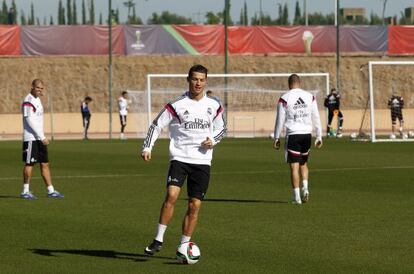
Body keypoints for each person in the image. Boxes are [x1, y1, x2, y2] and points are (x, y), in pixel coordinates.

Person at [141, 64, 226, 255]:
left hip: (202, 162)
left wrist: (213, 140)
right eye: (195, 79)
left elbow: (222, 129)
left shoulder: (214, 105)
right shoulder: (176, 105)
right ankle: (158, 239)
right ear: (188, 79)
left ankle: (183, 246)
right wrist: (148, 146)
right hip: (179, 158)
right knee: (171, 195)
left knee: (194, 205)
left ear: (206, 81)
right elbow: (156, 125)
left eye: (202, 80)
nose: (198, 83)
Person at [273, 74, 322, 204]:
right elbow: (316, 116)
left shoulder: (284, 98)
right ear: (299, 83)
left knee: (294, 167)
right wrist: (319, 135)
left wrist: (276, 137)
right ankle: (305, 188)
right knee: (304, 164)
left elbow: (280, 120)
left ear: (289, 84)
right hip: (307, 134)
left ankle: (297, 198)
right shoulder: (310, 96)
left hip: (293, 134)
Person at [21, 79, 64, 199]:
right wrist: (42, 136)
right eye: (37, 88)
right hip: (31, 138)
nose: (39, 90)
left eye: (41, 88)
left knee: (45, 163)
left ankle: (51, 190)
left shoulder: (38, 100)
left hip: (40, 138)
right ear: (32, 87)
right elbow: (29, 120)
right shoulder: (28, 100)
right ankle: (25, 191)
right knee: (30, 163)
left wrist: (41, 136)